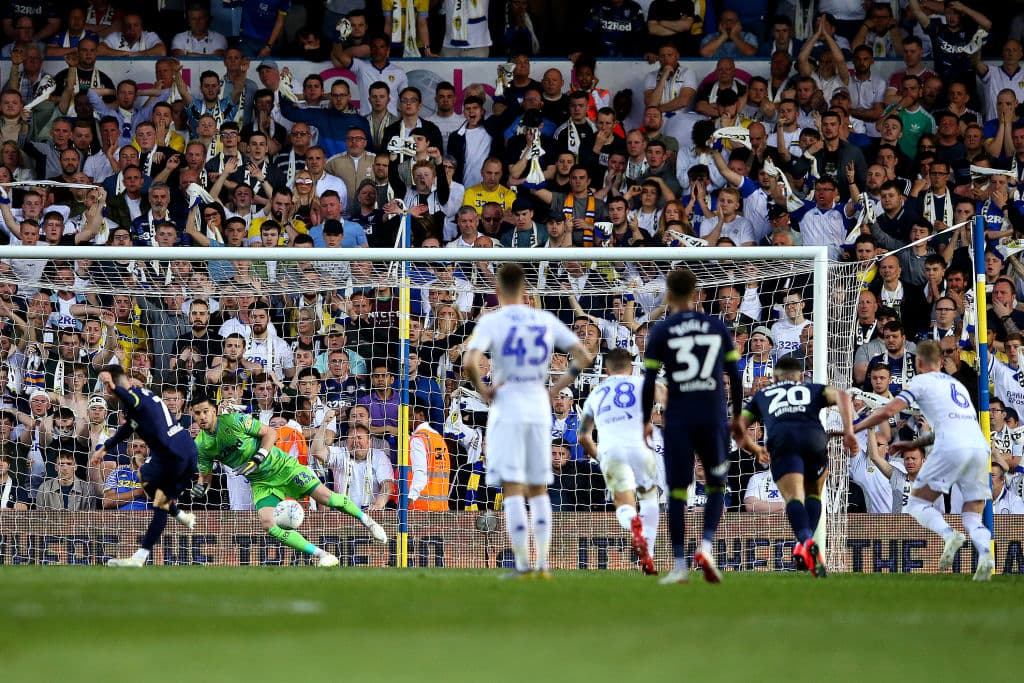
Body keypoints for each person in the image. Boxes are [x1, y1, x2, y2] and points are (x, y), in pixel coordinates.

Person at [463, 264, 593, 578]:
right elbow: (584, 356)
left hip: (507, 406)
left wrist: (484, 390)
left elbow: (469, 361)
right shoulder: (544, 319)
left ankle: (522, 564)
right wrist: (556, 389)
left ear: (497, 291)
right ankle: (543, 564)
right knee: (538, 488)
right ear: (525, 292)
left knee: (512, 488)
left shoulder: (492, 320)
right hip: (537, 405)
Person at [189, 391, 387, 567]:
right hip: (261, 482)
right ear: (193, 415)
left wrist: (257, 459)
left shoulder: (234, 421)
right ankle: (322, 555)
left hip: (283, 467)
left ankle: (369, 522)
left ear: (214, 410)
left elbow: (270, 433)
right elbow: (205, 476)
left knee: (327, 498)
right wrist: (201, 486)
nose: (202, 417)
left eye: (205, 411)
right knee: (269, 524)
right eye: (197, 413)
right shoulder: (201, 445)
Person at [854, 341, 996, 581]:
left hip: (952, 447)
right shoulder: (956, 385)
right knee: (972, 513)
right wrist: (913, 442)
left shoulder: (921, 381)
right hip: (979, 448)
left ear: (919, 362)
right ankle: (986, 556)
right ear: (941, 362)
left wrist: (854, 427)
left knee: (917, 505)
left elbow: (888, 411)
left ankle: (950, 535)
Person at [642, 267, 741, 585]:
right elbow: (735, 375)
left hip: (680, 417)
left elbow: (649, 381)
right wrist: (738, 416)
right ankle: (707, 546)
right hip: (713, 415)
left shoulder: (662, 330)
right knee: (715, 485)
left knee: (677, 491)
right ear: (696, 292)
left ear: (669, 294)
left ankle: (679, 564)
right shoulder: (717, 326)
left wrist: (645, 420)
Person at [733, 357, 857, 578]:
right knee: (814, 494)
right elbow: (843, 396)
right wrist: (849, 431)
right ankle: (803, 546)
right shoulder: (812, 388)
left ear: (775, 378)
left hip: (783, 442)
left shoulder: (763, 394)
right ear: (800, 377)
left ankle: (806, 542)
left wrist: (755, 448)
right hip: (815, 440)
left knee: (793, 498)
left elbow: (738, 426)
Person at [95, 367, 198, 567]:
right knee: (154, 492)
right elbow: (128, 427)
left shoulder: (135, 396)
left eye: (106, 384)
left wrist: (115, 386)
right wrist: (106, 447)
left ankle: (143, 553)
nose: (106, 389)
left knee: (151, 487)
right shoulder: (140, 401)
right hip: (183, 450)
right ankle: (178, 518)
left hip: (172, 454)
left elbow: (131, 400)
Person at [578, 348, 658, 575]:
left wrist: (600, 457)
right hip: (640, 447)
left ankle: (633, 524)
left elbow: (583, 436)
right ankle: (648, 558)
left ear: (606, 370)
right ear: (631, 368)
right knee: (649, 500)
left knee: (624, 504)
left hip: (611, 451)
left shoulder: (596, 393)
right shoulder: (643, 383)